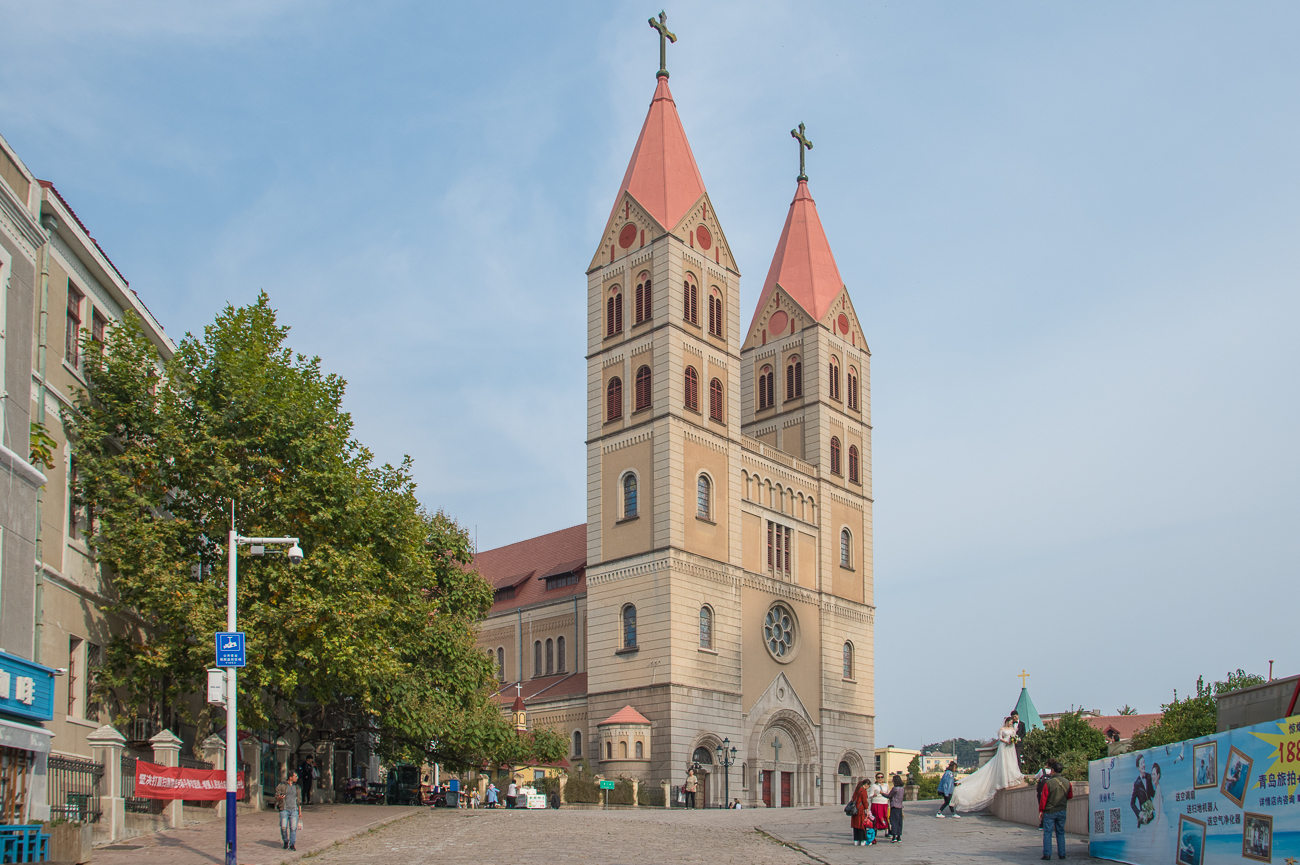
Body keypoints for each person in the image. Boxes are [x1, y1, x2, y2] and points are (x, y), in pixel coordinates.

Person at [951, 717, 1024, 813]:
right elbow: (1000, 738)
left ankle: (1012, 776)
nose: (1011, 723)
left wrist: (1014, 741)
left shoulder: (1013, 730)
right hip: (1004, 746)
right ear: (1006, 722)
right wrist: (1007, 741)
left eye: (1011, 722)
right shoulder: (1002, 730)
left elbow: (1015, 736)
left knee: (1011, 761)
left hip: (1011, 747)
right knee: (1004, 761)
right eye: (1010, 722)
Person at [1038, 759, 1072, 860]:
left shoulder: (1048, 783)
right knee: (1060, 832)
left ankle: (1047, 854)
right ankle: (1062, 854)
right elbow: (1070, 796)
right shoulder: (1067, 782)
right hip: (1062, 810)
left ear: (1052, 770)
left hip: (1050, 811)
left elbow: (1043, 798)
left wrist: (1041, 811)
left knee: (1048, 832)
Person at [276, 770, 301, 851]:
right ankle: (285, 841)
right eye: (295, 776)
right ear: (290, 777)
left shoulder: (297, 787)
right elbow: (276, 796)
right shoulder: (282, 785)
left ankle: (292, 844)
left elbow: (299, 801)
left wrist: (300, 812)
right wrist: (280, 797)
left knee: (293, 828)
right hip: (284, 809)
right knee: (283, 827)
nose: (297, 778)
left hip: (294, 810)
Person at [1130, 754, 1154, 826]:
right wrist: (1139, 813)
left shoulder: (1149, 777)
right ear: (1138, 767)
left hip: (1152, 814)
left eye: (1144, 762)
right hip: (1144, 819)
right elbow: (1132, 803)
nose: (1143, 765)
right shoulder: (1137, 784)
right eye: (1141, 763)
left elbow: (1151, 792)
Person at [848, 778, 874, 846]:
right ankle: (862, 840)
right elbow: (864, 801)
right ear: (866, 785)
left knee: (855, 826)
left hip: (854, 810)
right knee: (861, 825)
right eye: (868, 786)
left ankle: (856, 840)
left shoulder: (856, 790)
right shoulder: (863, 791)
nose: (868, 787)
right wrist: (867, 810)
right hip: (860, 810)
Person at [867, 772, 890, 842]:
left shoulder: (886, 785)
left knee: (885, 817)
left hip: (884, 803)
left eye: (881, 777)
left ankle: (886, 831)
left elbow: (888, 794)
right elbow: (870, 796)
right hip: (876, 803)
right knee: (877, 817)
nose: (880, 779)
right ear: (876, 778)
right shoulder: (873, 786)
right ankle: (875, 829)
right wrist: (873, 795)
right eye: (878, 777)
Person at [887, 774, 906, 842]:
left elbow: (889, 795)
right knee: (899, 822)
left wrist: (881, 793)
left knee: (894, 821)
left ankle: (894, 836)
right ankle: (899, 836)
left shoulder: (895, 789)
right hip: (900, 807)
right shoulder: (902, 789)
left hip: (894, 806)